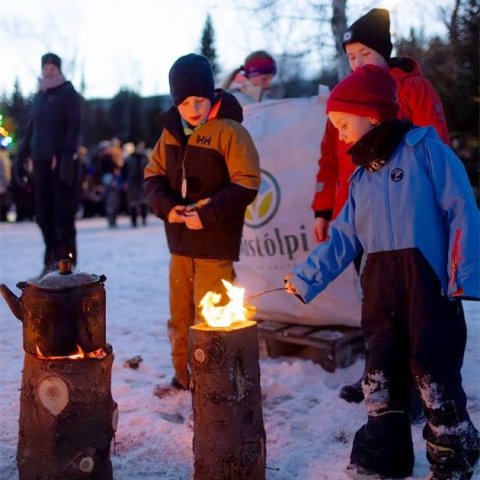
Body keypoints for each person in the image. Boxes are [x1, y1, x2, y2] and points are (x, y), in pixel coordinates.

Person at [285, 64, 480, 480]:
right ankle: (383, 454)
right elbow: (341, 237)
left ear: (371, 115)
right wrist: (305, 278)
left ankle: (453, 453)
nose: (339, 134)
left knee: (433, 370)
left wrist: (462, 273)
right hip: (379, 289)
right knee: (381, 370)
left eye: (342, 123)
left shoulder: (424, 150)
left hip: (426, 285)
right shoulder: (360, 179)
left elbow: (462, 207)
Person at [311, 8, 452, 403]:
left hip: (405, 220)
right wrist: (324, 209)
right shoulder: (344, 101)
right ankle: (380, 372)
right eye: (351, 56)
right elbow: (328, 159)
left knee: (410, 303)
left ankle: (413, 380)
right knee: (373, 300)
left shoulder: (411, 90)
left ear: (384, 53)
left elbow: (434, 149)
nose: (357, 63)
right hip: (355, 216)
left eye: (365, 55)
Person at [144, 54, 260, 390]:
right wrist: (168, 208)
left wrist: (207, 214)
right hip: (180, 244)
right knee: (179, 317)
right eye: (185, 102)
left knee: (210, 317)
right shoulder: (169, 135)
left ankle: (213, 383)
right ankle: (184, 377)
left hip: (214, 243)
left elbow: (247, 182)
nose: (194, 108)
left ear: (212, 96)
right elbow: (152, 179)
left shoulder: (230, 131)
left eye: (200, 100)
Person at [17, 52, 82, 273]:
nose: (48, 70)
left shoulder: (68, 93)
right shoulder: (39, 97)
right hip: (40, 162)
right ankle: (51, 255)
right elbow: (30, 129)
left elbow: (74, 126)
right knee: (43, 214)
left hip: (59, 163)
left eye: (52, 67)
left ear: (59, 69)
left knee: (62, 213)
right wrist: (21, 156)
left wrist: (66, 155)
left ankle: (65, 260)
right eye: (45, 67)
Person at [123, 140, 149, 227]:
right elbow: (124, 171)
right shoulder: (129, 159)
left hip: (143, 181)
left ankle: (144, 219)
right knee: (133, 202)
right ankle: (134, 221)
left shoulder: (145, 158)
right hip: (132, 182)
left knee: (143, 201)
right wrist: (125, 181)